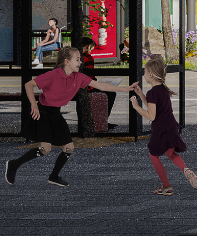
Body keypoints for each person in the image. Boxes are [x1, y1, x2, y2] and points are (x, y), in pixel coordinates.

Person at [7, 46, 129, 187]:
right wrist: (33, 105)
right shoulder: (52, 75)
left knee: (69, 147)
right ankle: (14, 165)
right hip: (43, 113)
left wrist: (125, 89)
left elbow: (101, 86)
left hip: (56, 113)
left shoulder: (79, 77)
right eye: (77, 59)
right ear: (66, 61)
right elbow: (29, 85)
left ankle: (54, 176)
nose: (80, 62)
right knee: (46, 149)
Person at [129, 55, 197, 196]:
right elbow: (154, 106)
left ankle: (167, 186)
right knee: (171, 153)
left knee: (154, 156)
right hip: (171, 127)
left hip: (160, 130)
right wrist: (141, 95)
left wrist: (136, 106)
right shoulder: (163, 90)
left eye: (145, 72)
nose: (144, 75)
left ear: (151, 75)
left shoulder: (153, 92)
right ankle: (186, 170)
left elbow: (151, 115)